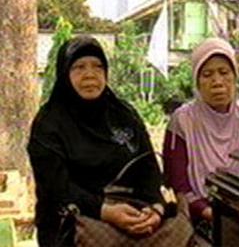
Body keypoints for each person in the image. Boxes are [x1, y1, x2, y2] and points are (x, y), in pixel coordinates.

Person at [27, 36, 191, 246]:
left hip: (133, 213)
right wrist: (104, 211)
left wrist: (155, 209)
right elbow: (55, 186)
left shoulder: (123, 115)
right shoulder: (49, 123)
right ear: (64, 74)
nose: (90, 75)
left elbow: (148, 168)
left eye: (97, 66)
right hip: (74, 224)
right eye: (79, 67)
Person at [163, 38, 239, 229]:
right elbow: (179, 186)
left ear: (235, 78)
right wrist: (210, 214)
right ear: (197, 82)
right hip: (199, 219)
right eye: (207, 74)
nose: (217, 82)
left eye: (224, 72)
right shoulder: (183, 121)